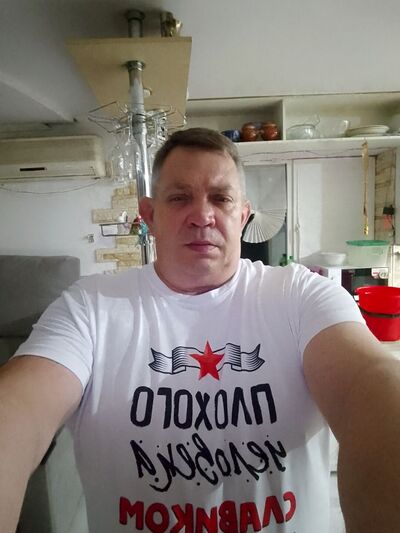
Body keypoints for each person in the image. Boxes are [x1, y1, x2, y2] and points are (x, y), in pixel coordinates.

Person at [1, 127, 400, 533]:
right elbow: (18, 407)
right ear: (150, 216)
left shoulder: (300, 294)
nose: (203, 215)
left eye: (221, 198)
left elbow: (371, 381)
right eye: (179, 197)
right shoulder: (91, 308)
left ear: (242, 216)